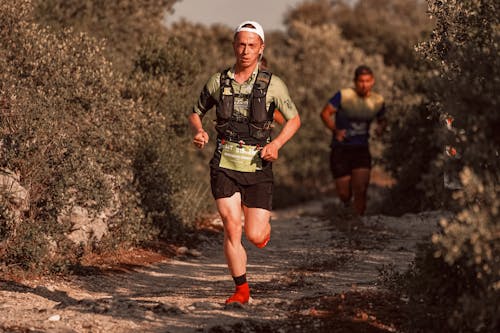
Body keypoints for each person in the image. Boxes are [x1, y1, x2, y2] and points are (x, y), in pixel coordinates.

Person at [188, 21, 301, 305]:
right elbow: (195, 112)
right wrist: (199, 131)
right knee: (230, 226)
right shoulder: (218, 81)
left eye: (252, 45)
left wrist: (275, 144)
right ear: (234, 45)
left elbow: (294, 119)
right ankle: (241, 290)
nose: (245, 50)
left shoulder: (273, 84)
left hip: (258, 166)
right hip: (224, 162)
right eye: (241, 44)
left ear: (261, 48)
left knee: (255, 234)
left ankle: (261, 229)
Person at [320, 65, 386, 216]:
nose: (364, 85)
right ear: (355, 82)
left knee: (361, 189)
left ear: (373, 81)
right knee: (344, 194)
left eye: (367, 81)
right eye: (361, 81)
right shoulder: (343, 96)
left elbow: (383, 119)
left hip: (361, 149)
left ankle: (359, 223)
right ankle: (346, 210)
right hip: (341, 149)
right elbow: (325, 113)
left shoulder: (378, 101)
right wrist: (335, 130)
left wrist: (380, 128)